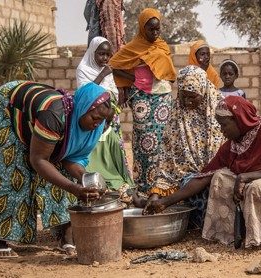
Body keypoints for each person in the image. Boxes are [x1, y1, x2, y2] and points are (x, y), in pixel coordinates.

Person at [145, 96, 261, 248]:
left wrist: (246, 176)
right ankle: (230, 233)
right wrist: (165, 202)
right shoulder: (232, 146)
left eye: (224, 125)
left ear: (239, 119)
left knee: (257, 187)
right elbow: (201, 178)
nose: (221, 130)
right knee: (220, 177)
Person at [0, 81, 114, 258]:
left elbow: (70, 158)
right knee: (13, 170)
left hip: (42, 120)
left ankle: (65, 235)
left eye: (101, 121)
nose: (97, 125)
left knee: (62, 174)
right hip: (9, 106)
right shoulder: (54, 116)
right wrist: (74, 188)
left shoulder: (94, 124)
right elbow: (39, 160)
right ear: (83, 108)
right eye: (94, 118)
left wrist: (84, 178)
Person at [138, 65, 224, 227]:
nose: (187, 102)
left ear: (203, 92)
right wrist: (156, 195)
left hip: (214, 176)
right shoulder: (177, 116)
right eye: (183, 96)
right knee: (187, 185)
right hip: (185, 182)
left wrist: (167, 201)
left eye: (193, 97)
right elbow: (166, 163)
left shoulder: (220, 114)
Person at [109, 8, 177, 193]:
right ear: (142, 28)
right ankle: (144, 185)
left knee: (164, 139)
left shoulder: (162, 46)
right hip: (142, 97)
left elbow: (167, 71)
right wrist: (130, 81)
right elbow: (113, 65)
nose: (155, 33)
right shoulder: (133, 47)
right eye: (151, 30)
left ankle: (162, 186)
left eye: (158, 29)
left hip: (163, 96)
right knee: (145, 141)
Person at [76, 36, 134, 199]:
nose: (105, 58)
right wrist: (103, 74)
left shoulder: (107, 70)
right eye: (101, 54)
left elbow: (111, 91)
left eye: (108, 55)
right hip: (93, 116)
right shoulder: (83, 69)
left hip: (110, 115)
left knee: (112, 145)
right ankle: (94, 180)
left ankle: (114, 177)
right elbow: (86, 93)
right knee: (95, 147)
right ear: (92, 53)